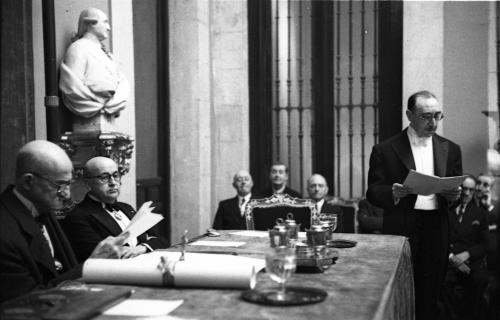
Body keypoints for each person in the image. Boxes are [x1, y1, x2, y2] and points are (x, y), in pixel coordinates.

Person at [366, 90, 462, 320]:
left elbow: (454, 189)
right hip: (402, 225)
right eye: (426, 116)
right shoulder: (385, 149)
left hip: (437, 226)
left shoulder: (451, 148)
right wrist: (393, 192)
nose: (433, 122)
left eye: (438, 116)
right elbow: (373, 192)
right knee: (402, 288)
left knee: (432, 290)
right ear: (409, 115)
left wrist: (454, 196)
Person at [0, 141, 127, 303]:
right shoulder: (5, 233)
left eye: (69, 184)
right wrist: (92, 266)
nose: (67, 195)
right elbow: (27, 302)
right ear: (28, 182)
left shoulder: (41, 206)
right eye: (60, 185)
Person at [62, 157, 166, 263]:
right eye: (104, 177)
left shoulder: (126, 208)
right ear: (87, 183)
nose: (113, 182)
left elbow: (159, 240)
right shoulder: (78, 216)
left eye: (116, 175)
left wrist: (140, 248)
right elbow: (101, 256)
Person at [59, 7, 129, 118]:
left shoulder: (108, 56)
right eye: (105, 22)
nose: (109, 28)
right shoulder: (78, 48)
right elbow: (72, 85)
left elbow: (122, 83)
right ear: (91, 23)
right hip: (89, 109)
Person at [441, 175, 489, 320]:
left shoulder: (480, 214)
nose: (467, 193)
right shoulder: (446, 212)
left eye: (471, 190)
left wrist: (466, 255)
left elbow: (485, 244)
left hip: (470, 263)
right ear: (458, 189)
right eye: (464, 189)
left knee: (480, 280)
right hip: (449, 262)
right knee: (441, 282)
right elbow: (440, 240)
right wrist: (452, 258)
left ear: (474, 191)